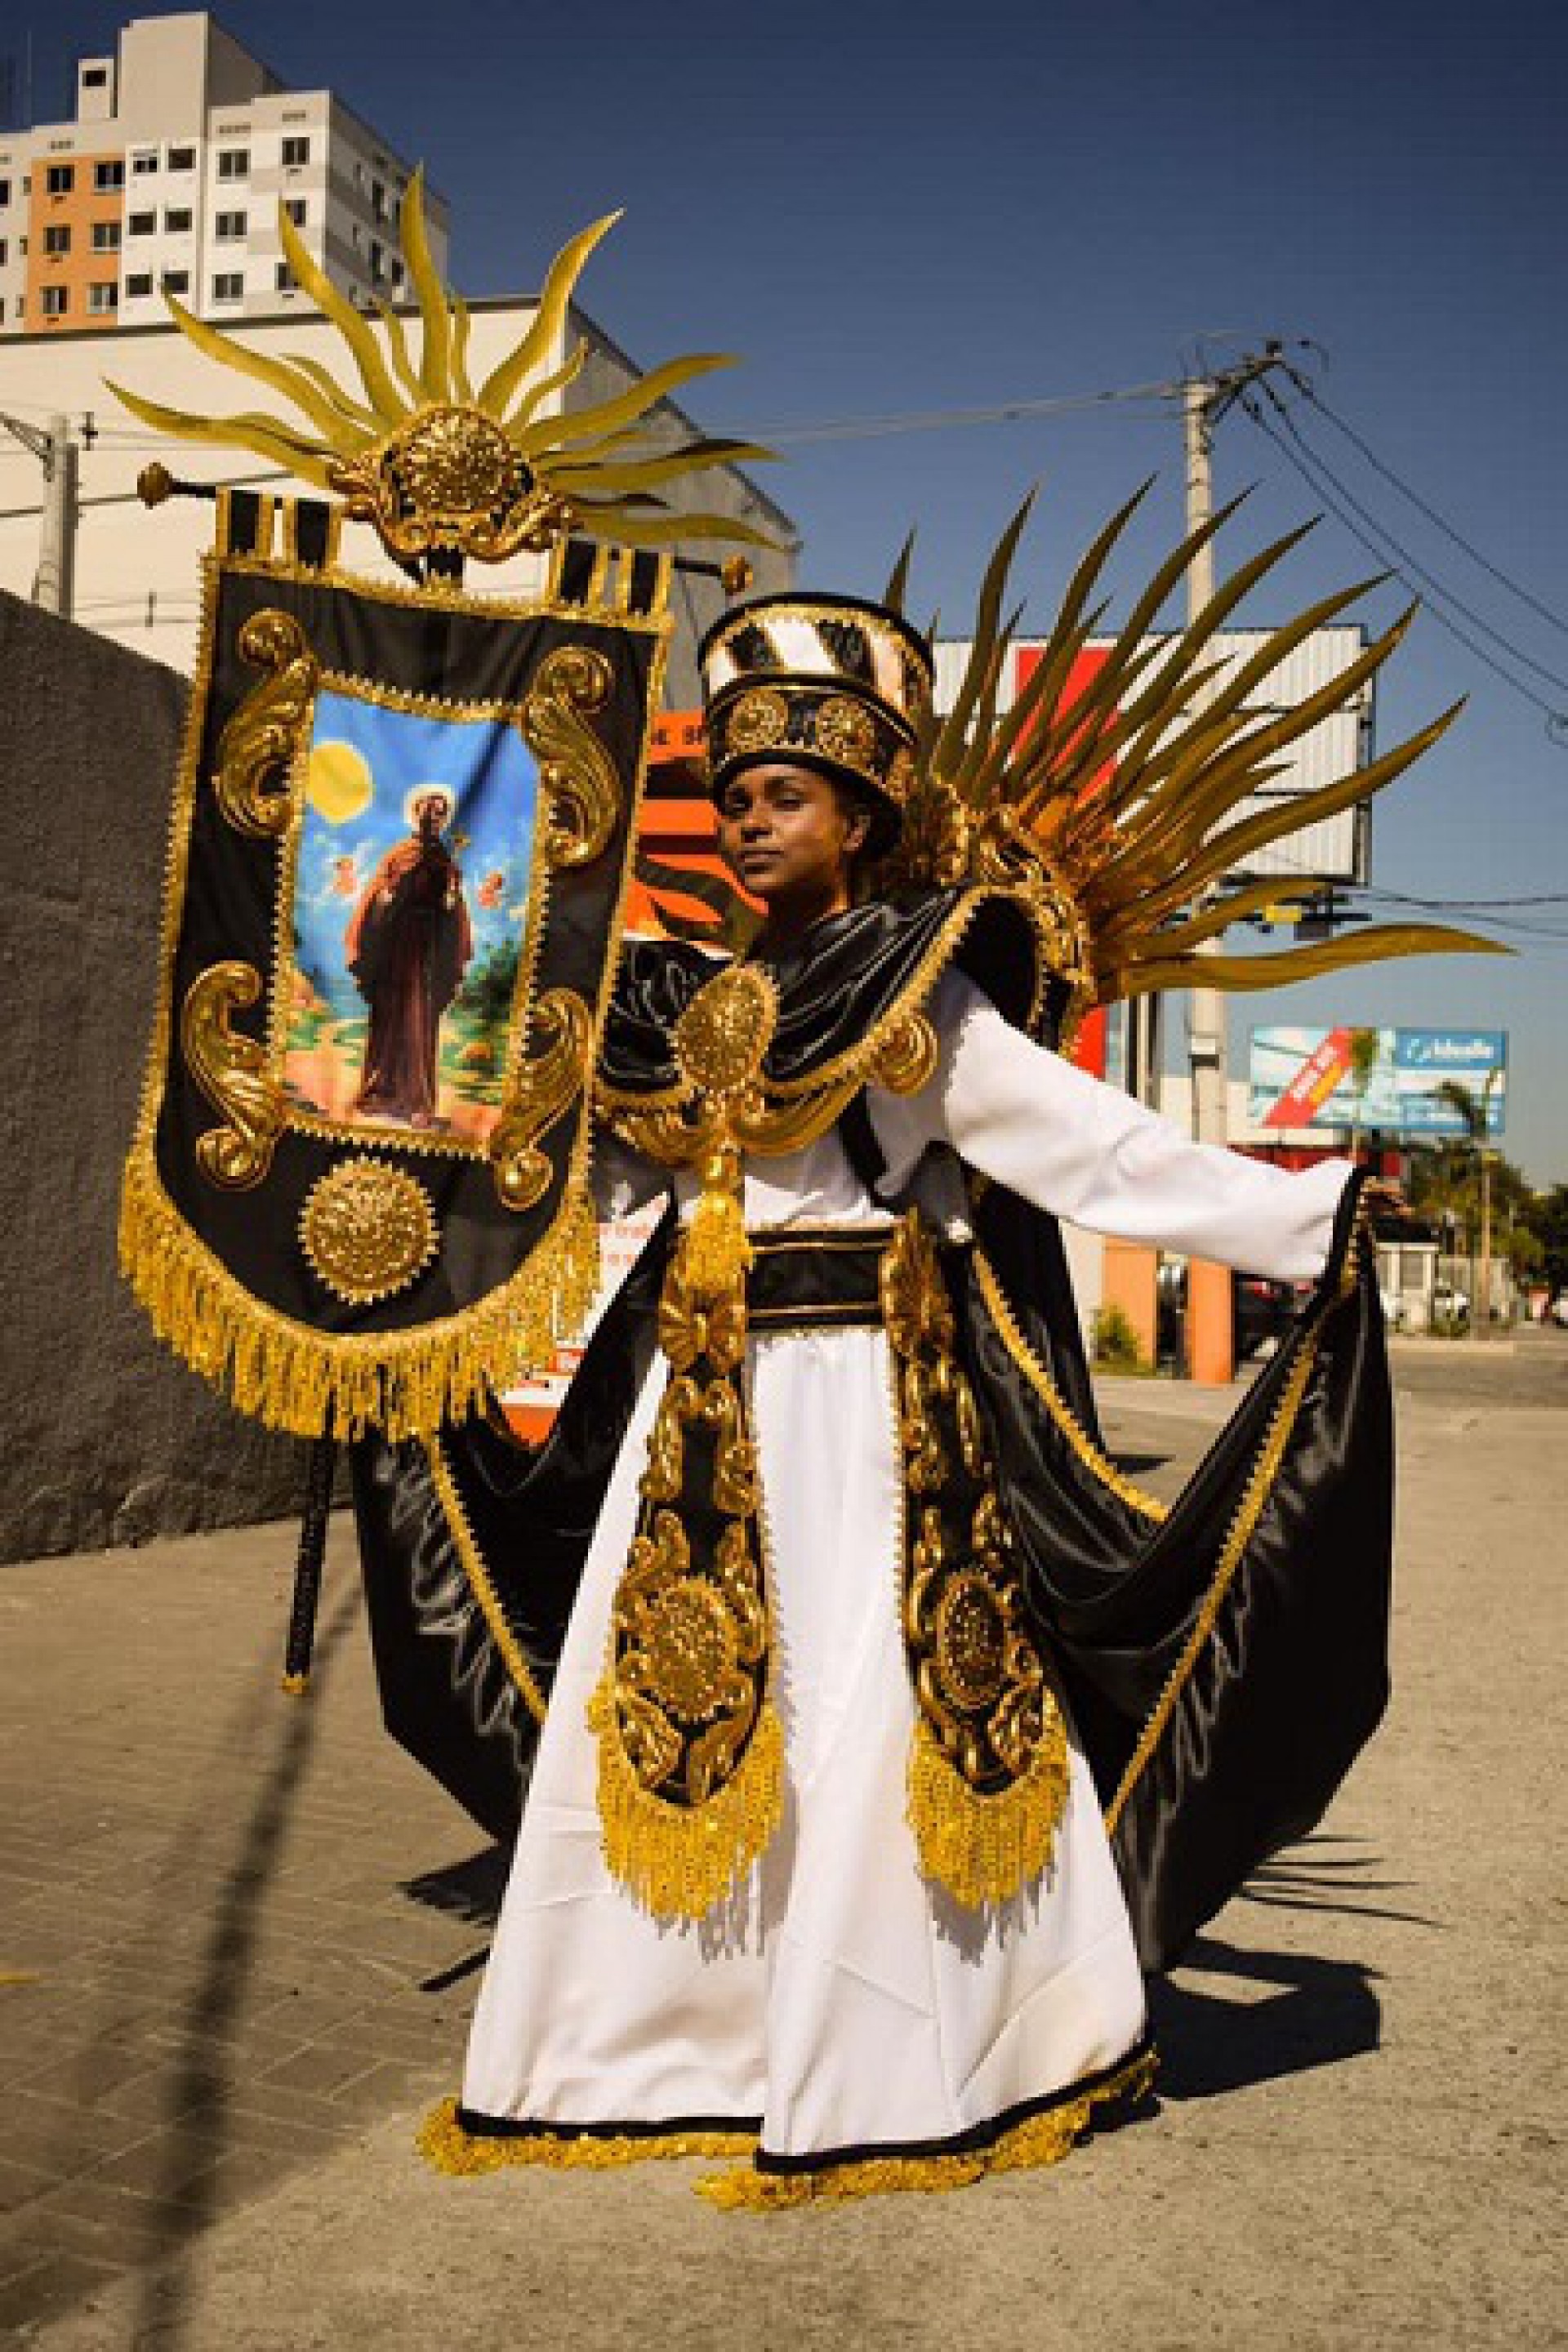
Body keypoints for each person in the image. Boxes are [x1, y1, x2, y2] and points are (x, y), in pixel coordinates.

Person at [390, 590, 1395, 2206]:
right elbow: (613, 1211)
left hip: (866, 1423)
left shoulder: (917, 996)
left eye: (781, 797)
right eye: (731, 797)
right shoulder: (675, 1008)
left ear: (859, 813)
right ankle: (641, 2049)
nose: (746, 823)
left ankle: (894, 2058)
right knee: (668, 1728)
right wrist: (398, 1270)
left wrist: (1309, 1211)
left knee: (861, 1734)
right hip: (700, 1426)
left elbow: (1094, 1150)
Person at [346, 786, 473, 1126]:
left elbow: (452, 912)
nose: (434, 818)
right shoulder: (399, 854)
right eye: (429, 811)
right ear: (417, 814)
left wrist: (452, 898)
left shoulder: (445, 861)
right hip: (397, 950)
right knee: (391, 1018)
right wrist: (384, 900)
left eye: (440, 813)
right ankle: (382, 1092)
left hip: (428, 952)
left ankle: (417, 1100)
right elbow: (378, 898)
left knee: (420, 1021)